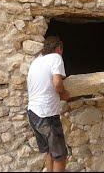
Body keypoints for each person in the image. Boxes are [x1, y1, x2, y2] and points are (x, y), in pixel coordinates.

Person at [27, 36, 70, 172]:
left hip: (33, 113)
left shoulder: (37, 61)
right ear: (58, 49)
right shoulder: (55, 57)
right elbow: (57, 83)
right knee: (60, 156)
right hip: (47, 114)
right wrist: (63, 94)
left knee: (50, 152)